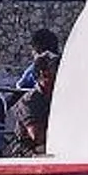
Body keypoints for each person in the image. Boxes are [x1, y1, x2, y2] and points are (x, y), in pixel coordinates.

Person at [9, 26, 62, 155]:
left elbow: (19, 87)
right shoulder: (28, 102)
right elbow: (38, 137)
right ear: (41, 75)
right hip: (29, 151)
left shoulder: (61, 96)